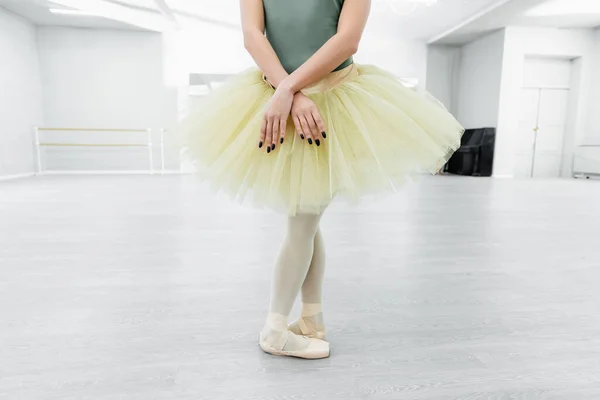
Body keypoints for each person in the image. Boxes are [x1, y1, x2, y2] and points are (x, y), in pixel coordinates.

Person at [178, 0, 464, 359]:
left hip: (334, 98)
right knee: (304, 219)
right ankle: (279, 330)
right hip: (278, 96)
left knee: (305, 219)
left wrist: (287, 90)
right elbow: (253, 36)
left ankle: (304, 322)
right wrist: (289, 94)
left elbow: (347, 41)